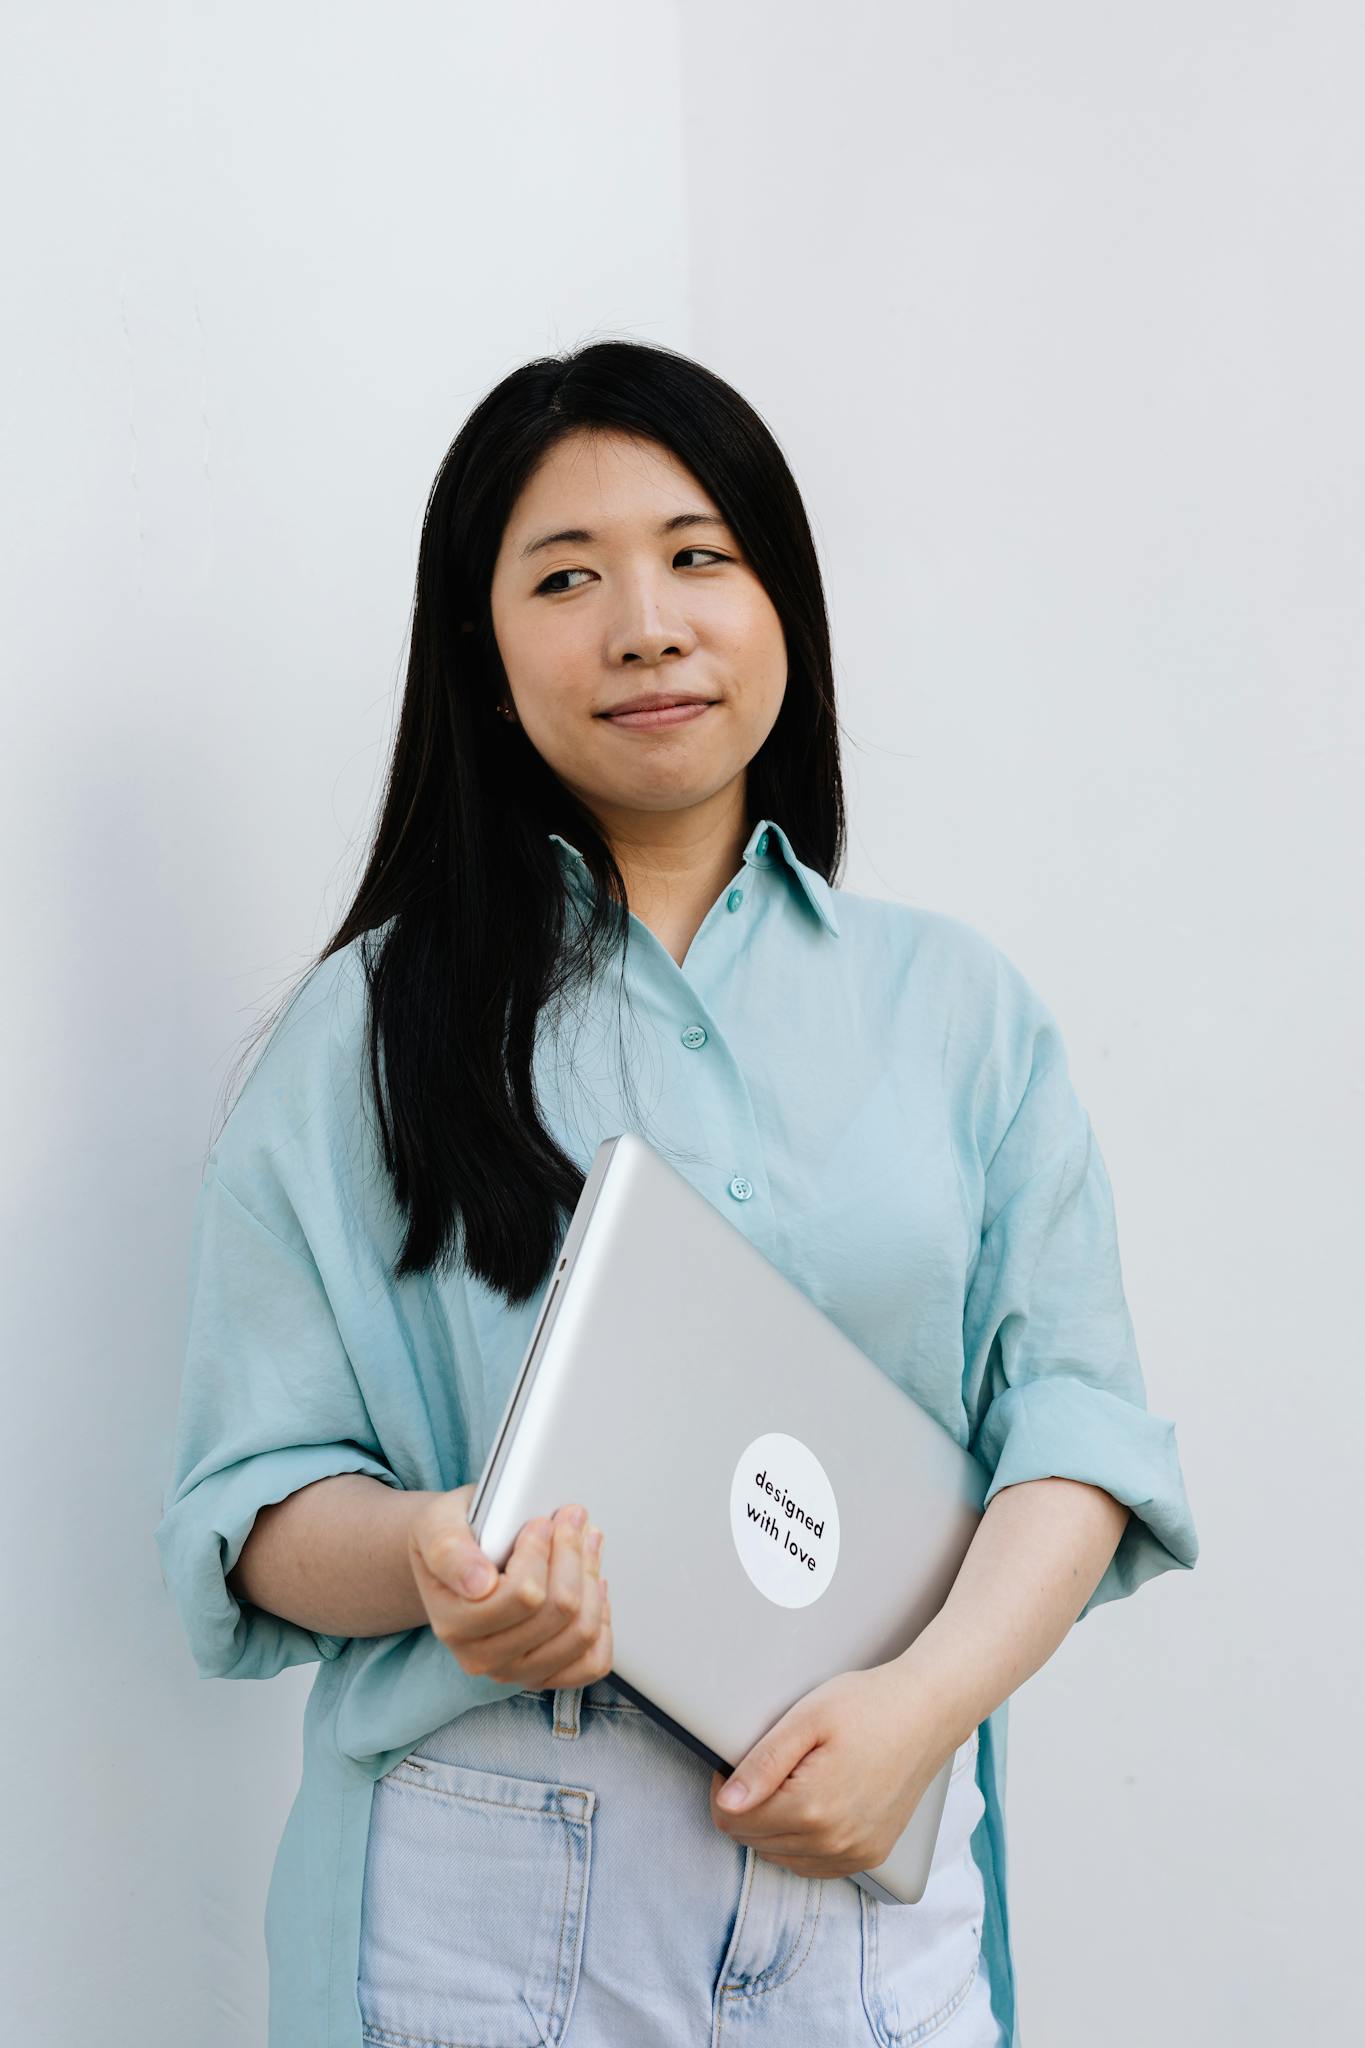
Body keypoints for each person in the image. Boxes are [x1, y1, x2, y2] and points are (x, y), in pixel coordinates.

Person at [153, 338, 1199, 2048]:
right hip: (489, 1883)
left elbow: (1075, 1433)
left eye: (698, 556)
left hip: (869, 1854)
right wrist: (436, 1558)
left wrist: (918, 1715)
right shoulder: (364, 1033)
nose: (644, 622)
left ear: (781, 602)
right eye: (565, 577)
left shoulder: (959, 1011)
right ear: (483, 658)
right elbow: (251, 1506)